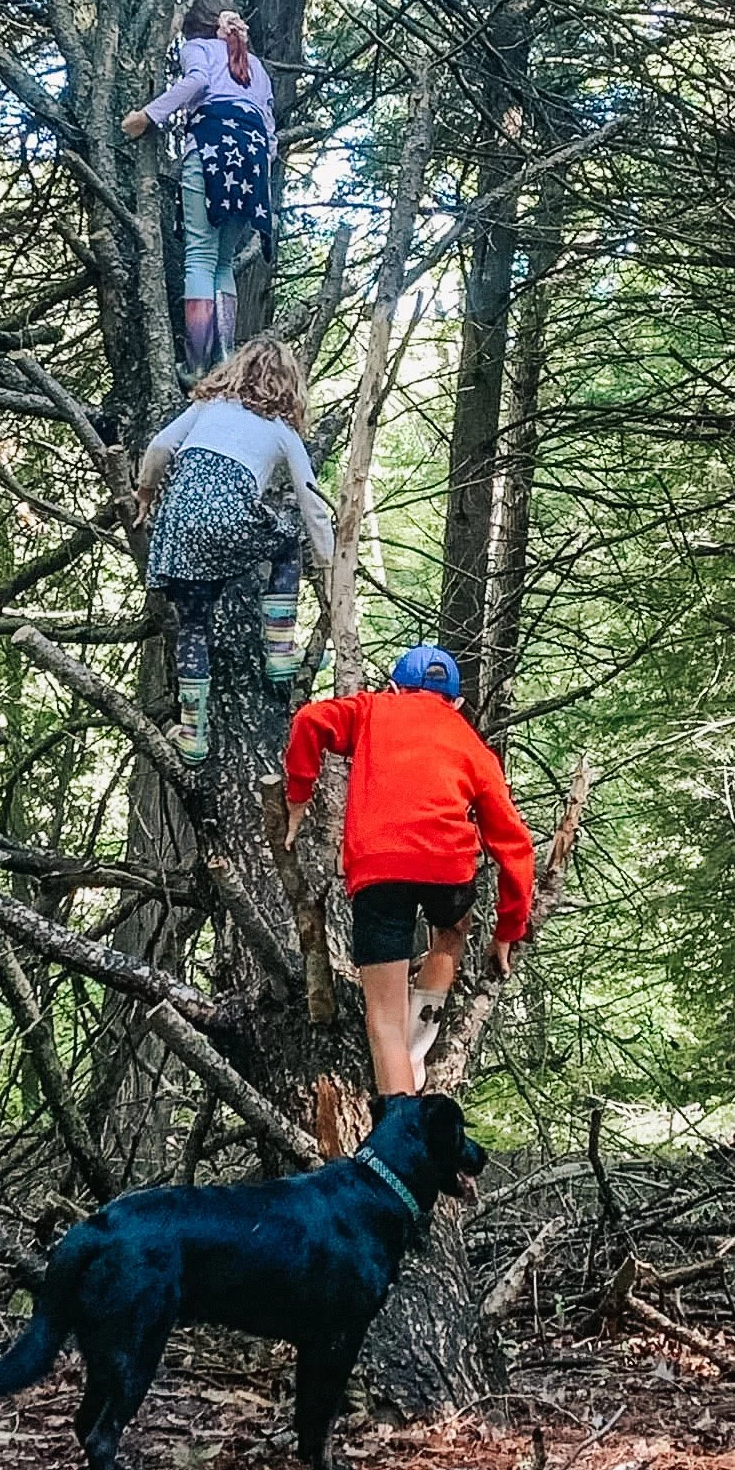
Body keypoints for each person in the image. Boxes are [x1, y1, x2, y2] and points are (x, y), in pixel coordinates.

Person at [282, 645, 535, 1098]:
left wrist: (298, 794)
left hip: (380, 873)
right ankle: (417, 1050)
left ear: (395, 687)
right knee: (454, 930)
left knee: (382, 1020)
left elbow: (308, 720)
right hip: (447, 868)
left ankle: (398, 1120)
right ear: (455, 702)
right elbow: (515, 847)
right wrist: (508, 930)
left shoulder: (372, 709)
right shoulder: (472, 746)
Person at [135, 336, 334, 765]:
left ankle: (192, 734)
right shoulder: (280, 430)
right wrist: (328, 564)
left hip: (178, 527)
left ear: (236, 370)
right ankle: (280, 650)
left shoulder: (208, 407)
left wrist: (146, 493)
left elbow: (159, 448)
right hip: (229, 519)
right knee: (286, 541)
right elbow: (312, 501)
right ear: (288, 386)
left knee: (193, 624)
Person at [121, 0, 274, 381]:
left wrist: (150, 115)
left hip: (210, 150)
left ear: (196, 27)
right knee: (223, 262)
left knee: (200, 257)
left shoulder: (198, 48)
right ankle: (223, 360)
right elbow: (270, 130)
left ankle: (195, 364)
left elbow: (199, 81)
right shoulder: (257, 67)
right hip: (252, 163)